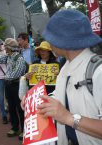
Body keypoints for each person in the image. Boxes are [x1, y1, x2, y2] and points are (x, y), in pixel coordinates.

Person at [36, 10, 102, 144]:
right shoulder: (66, 67)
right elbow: (62, 98)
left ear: (63, 42)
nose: (48, 42)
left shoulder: (98, 71)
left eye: (51, 38)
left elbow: (64, 114)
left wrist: (68, 117)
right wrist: (37, 102)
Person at [0, 38, 26, 139]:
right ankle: (15, 128)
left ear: (10, 48)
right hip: (9, 85)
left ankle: (24, 130)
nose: (4, 48)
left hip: (17, 85)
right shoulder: (8, 57)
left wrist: (6, 77)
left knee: (20, 108)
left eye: (6, 47)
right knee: (12, 108)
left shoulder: (19, 58)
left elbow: (16, 74)